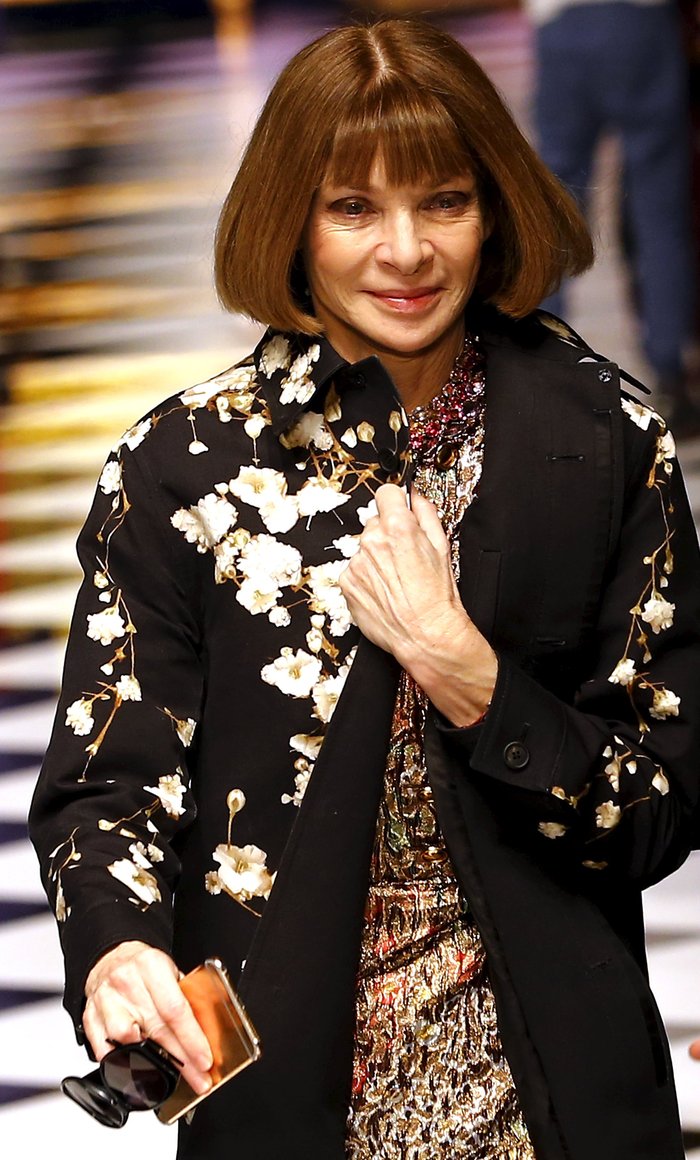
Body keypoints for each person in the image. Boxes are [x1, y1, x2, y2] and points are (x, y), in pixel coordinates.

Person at [28, 18, 700, 1160]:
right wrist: (117, 946)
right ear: (290, 218)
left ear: (494, 210)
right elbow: (110, 782)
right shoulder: (186, 465)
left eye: (444, 201)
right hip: (283, 1095)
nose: (406, 251)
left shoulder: (602, 440)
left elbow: (660, 808)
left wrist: (468, 674)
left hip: (554, 1095)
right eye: (352, 208)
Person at [525, 0, 700, 437]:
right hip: (642, 20)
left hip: (561, 22)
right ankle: (671, 374)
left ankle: (539, 360)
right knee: (661, 210)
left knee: (556, 204)